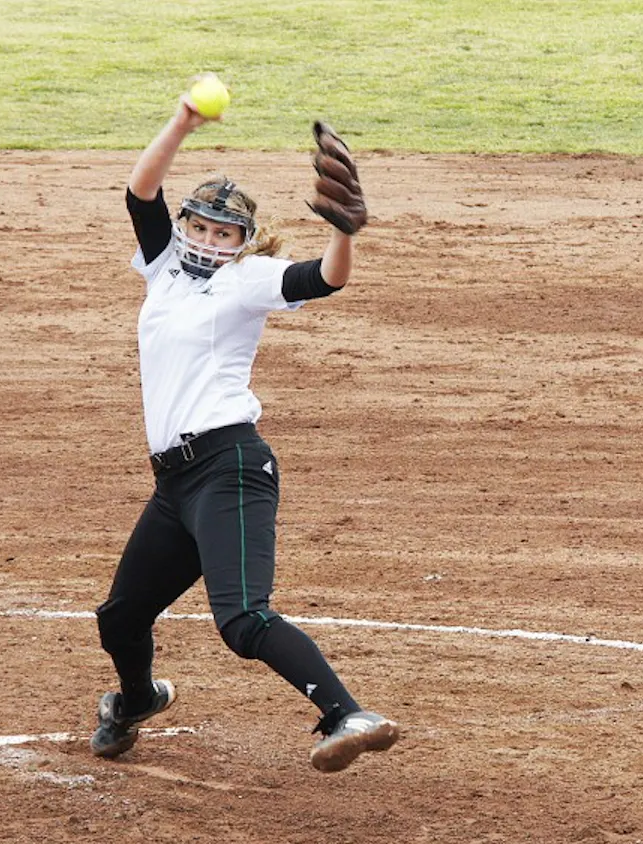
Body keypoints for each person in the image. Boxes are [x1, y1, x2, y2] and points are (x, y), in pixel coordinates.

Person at [89, 84, 398, 774]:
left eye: (222, 233)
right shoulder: (164, 269)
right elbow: (141, 193)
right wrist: (182, 121)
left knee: (242, 620)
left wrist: (343, 231)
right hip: (175, 485)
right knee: (120, 617)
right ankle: (136, 701)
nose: (206, 239)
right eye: (198, 226)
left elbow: (325, 279)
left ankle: (348, 715)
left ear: (243, 242)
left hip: (229, 468)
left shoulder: (248, 280)